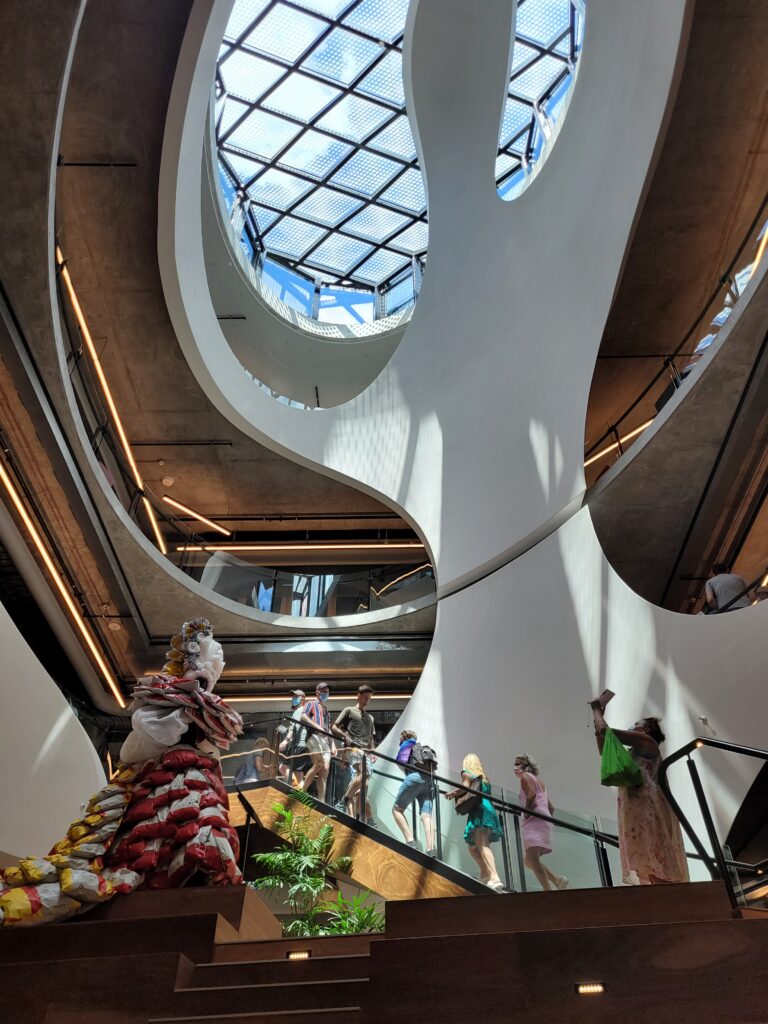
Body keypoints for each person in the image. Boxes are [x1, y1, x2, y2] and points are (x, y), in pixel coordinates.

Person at [0, 617, 244, 926]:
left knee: (192, 828)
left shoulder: (198, 707)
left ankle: (191, 879)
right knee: (164, 832)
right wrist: (185, 714)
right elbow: (140, 745)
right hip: (166, 780)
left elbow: (167, 747)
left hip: (189, 779)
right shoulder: (169, 700)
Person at [590, 699, 689, 885]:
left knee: (652, 846)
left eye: (637, 725)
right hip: (634, 806)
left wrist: (596, 710)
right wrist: (597, 724)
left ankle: (664, 891)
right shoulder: (632, 751)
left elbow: (606, 731)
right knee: (643, 851)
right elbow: (603, 749)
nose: (632, 727)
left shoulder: (647, 742)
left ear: (645, 730)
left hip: (647, 804)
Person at [445, 753, 504, 891]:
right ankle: (485, 873)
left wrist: (452, 793)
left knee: (483, 845)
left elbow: (465, 787)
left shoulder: (467, 773)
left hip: (479, 811)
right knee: (473, 846)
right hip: (488, 810)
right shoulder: (485, 778)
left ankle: (494, 877)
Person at [513, 754, 568, 891]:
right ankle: (557, 879)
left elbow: (531, 794)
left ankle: (547, 890)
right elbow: (551, 807)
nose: (515, 767)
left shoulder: (525, 776)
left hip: (534, 820)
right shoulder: (540, 782)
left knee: (533, 859)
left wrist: (526, 813)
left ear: (526, 765)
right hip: (544, 820)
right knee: (528, 861)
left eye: (518, 763)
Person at [332, 684, 376, 824]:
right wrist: (345, 737)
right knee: (364, 774)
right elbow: (334, 727)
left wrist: (373, 751)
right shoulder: (349, 710)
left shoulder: (370, 718)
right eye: (364, 696)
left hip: (365, 752)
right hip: (353, 748)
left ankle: (362, 817)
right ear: (358, 695)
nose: (367, 699)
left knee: (365, 783)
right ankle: (344, 801)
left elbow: (371, 738)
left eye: (369, 697)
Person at [392, 729, 436, 855]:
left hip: (414, 777)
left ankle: (410, 841)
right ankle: (431, 848)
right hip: (429, 781)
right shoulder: (422, 749)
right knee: (426, 815)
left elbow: (400, 763)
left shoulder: (407, 746)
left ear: (403, 739)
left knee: (397, 810)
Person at [300, 681, 336, 802]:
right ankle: (302, 791)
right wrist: (317, 726)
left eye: (327, 692)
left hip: (325, 740)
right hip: (313, 736)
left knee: (325, 770)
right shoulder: (311, 704)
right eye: (324, 692)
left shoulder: (326, 711)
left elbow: (329, 729)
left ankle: (322, 801)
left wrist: (333, 744)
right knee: (319, 763)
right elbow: (303, 716)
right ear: (317, 693)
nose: (326, 694)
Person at [279, 690, 309, 786]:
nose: (293, 699)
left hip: (298, 745)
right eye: (293, 697)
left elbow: (294, 728)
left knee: (283, 767)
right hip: (306, 746)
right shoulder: (305, 711)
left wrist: (285, 741)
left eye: (296, 697)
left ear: (302, 698)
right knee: (298, 772)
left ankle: (295, 790)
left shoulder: (299, 711)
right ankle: (301, 794)